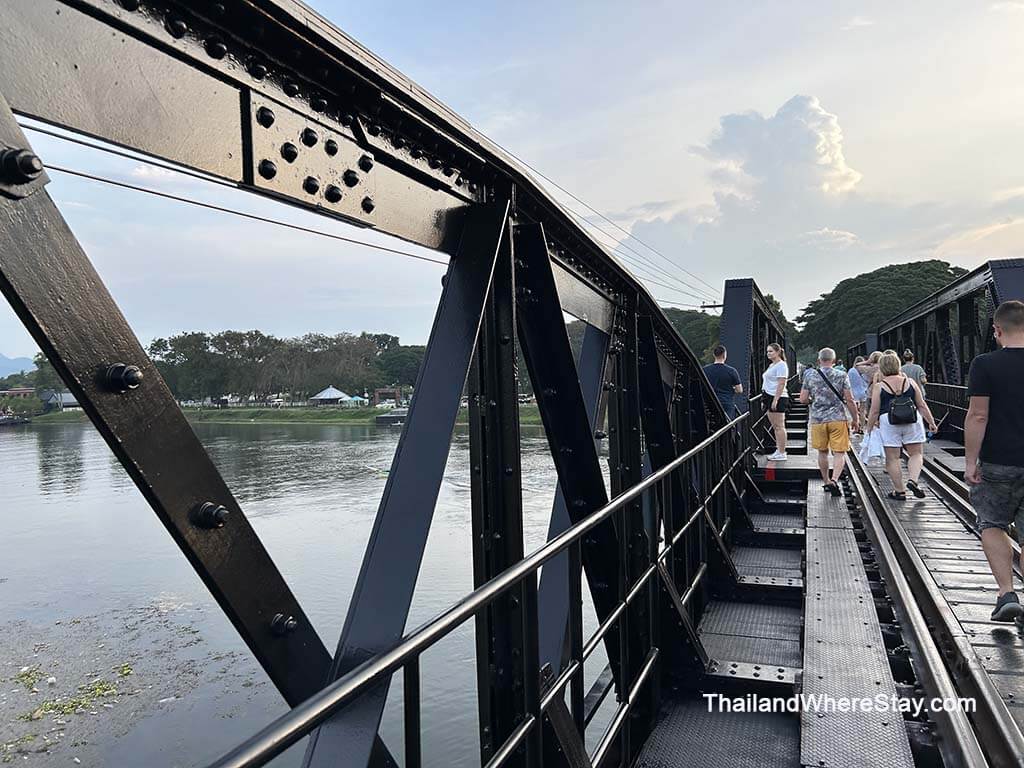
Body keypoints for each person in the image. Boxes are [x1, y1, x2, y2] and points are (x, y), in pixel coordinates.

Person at [964, 300, 1024, 622]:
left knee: (992, 523)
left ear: (997, 330)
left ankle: (1006, 593)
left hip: (997, 462)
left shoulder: (984, 364)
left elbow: (978, 415)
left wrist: (970, 461)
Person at [864, 351, 938, 500]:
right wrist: (931, 422)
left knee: (892, 458)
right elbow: (921, 405)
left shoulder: (879, 386)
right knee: (916, 454)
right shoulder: (910, 382)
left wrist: (869, 428)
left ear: (882, 368)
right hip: (912, 420)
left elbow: (874, 411)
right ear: (898, 365)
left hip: (888, 421)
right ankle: (913, 480)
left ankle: (899, 491)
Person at [800, 347, 860, 495]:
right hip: (838, 419)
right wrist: (856, 419)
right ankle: (834, 480)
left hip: (818, 420)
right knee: (839, 453)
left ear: (819, 360)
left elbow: (802, 399)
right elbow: (850, 400)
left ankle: (826, 481)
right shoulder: (842, 375)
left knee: (822, 452)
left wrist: (813, 400)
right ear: (833, 360)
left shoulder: (810, 376)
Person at [762, 343, 789, 461]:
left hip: (777, 397)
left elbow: (781, 383)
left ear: (778, 352)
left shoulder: (781, 365)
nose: (768, 353)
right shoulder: (772, 365)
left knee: (779, 426)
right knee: (775, 426)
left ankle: (782, 452)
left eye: (771, 351)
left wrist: (775, 400)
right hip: (768, 395)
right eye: (768, 351)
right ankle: (778, 450)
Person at [703, 344, 743, 417]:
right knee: (728, 425)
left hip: (709, 403)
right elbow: (739, 390)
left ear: (714, 355)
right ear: (724, 355)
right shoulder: (731, 371)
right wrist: (730, 389)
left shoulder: (705, 370)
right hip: (726, 402)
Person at [848, 355, 869, 432]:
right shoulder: (864, 370)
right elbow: (867, 380)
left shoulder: (851, 371)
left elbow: (848, 382)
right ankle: (862, 427)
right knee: (863, 411)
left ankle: (856, 426)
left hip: (854, 393)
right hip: (863, 392)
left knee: (855, 411)